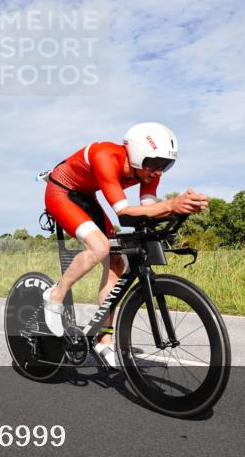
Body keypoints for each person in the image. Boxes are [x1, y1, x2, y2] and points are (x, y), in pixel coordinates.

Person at [42, 122, 209, 366]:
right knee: (100, 247)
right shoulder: (105, 156)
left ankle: (103, 339)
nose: (159, 171)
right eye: (155, 163)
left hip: (86, 195)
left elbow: (146, 212)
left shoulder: (149, 172)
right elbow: (123, 213)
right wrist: (171, 205)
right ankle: (55, 295)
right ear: (138, 154)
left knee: (116, 262)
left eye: (166, 165)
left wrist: (183, 209)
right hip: (62, 191)